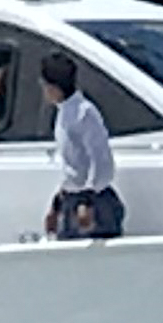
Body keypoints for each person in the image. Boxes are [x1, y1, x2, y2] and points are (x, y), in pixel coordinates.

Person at [39, 50, 125, 240]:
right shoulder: (63, 113)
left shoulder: (84, 113)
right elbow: (73, 167)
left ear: (54, 87)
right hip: (72, 200)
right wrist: (56, 204)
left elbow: (101, 160)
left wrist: (87, 200)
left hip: (92, 203)